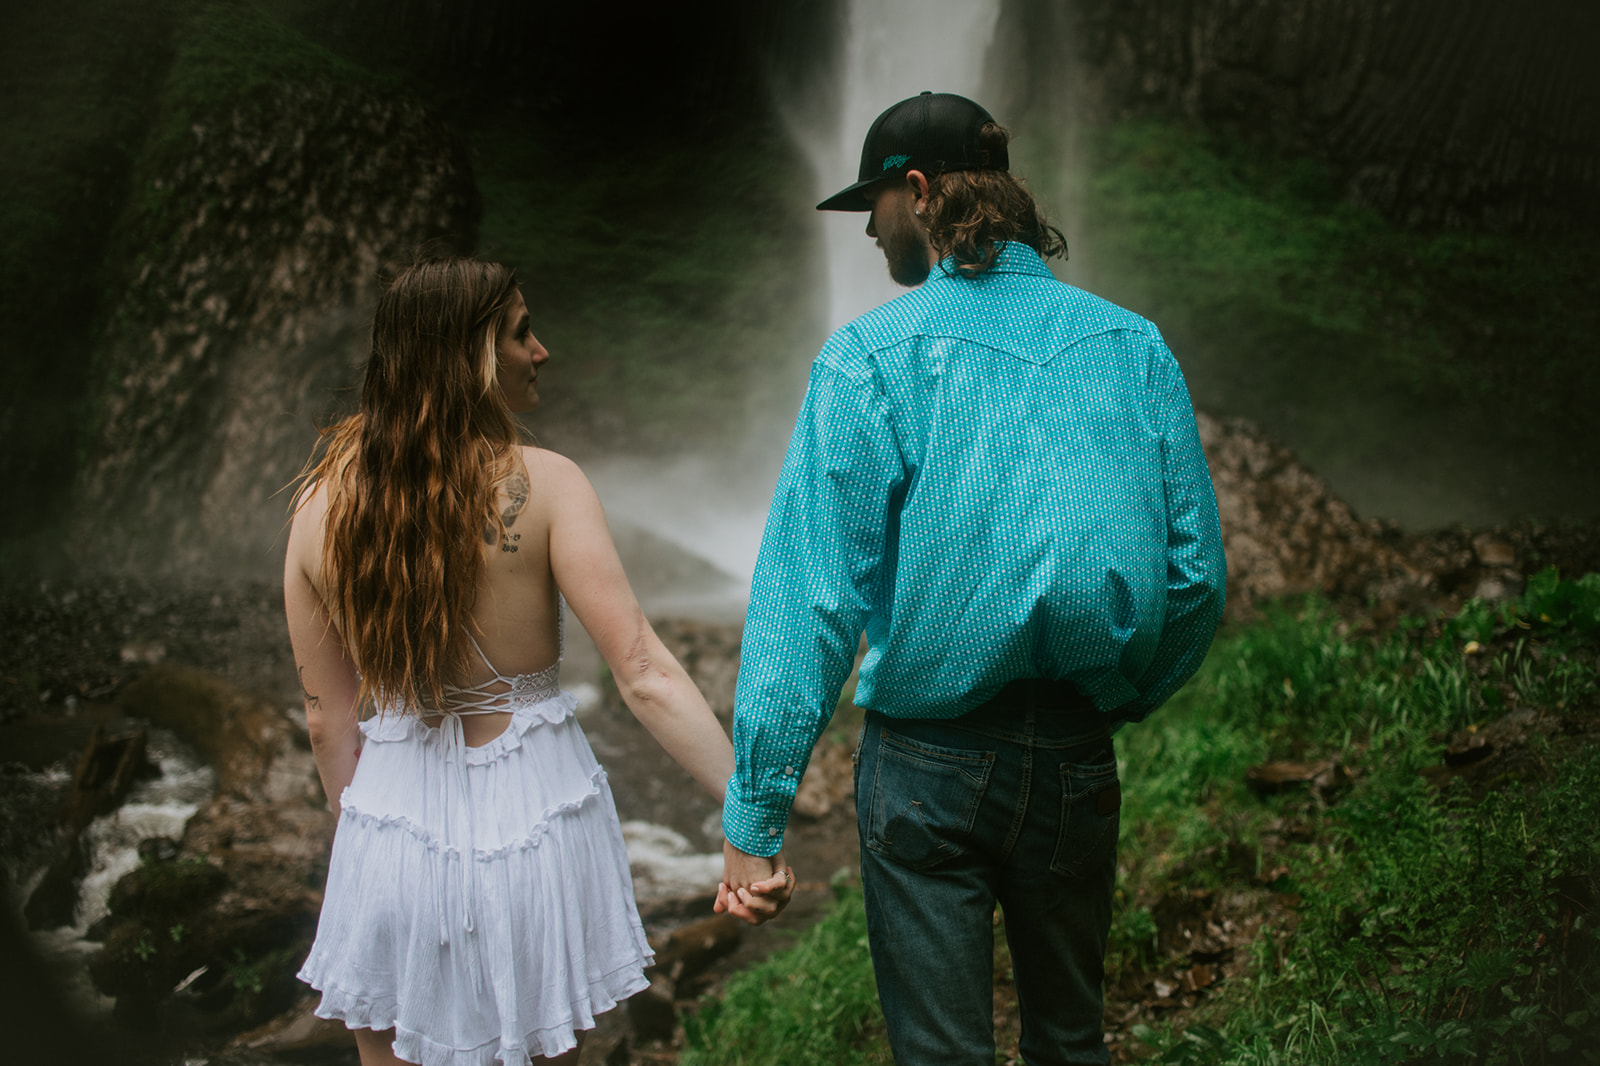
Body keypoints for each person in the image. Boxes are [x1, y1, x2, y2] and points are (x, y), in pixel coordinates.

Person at [718, 93, 1226, 1063]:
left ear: (917, 191)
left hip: (926, 767)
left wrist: (755, 814)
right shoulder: (1134, 347)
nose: (867, 228)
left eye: (872, 201)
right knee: (1072, 1040)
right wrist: (1112, 694)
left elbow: (811, 599)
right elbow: (1195, 578)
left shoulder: (868, 357)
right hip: (1075, 752)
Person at [285, 257, 791, 1066]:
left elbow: (325, 720)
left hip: (386, 838)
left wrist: (375, 847)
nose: (541, 349)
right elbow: (644, 672)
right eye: (520, 331)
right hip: (534, 830)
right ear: (470, 357)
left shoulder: (318, 508)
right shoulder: (547, 485)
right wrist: (747, 818)